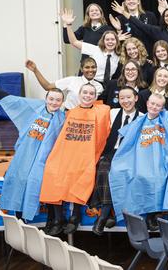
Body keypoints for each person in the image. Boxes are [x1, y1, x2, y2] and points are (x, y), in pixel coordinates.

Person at [109, 93, 168, 228]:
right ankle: (147, 214)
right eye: (152, 104)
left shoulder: (165, 120)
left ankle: (160, 214)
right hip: (142, 158)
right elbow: (128, 141)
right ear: (147, 103)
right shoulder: (139, 121)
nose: (154, 107)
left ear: (162, 107)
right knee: (139, 175)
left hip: (163, 157)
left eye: (158, 105)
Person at [39, 83, 111, 235]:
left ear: (95, 96)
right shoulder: (69, 112)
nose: (87, 96)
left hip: (85, 155)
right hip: (66, 152)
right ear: (79, 94)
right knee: (52, 173)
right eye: (85, 92)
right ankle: (58, 219)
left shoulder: (102, 112)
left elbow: (103, 137)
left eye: (91, 93)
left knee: (80, 176)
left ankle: (75, 217)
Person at [0, 84, 65, 221]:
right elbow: (10, 99)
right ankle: (18, 220)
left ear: (62, 102)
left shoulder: (62, 118)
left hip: (43, 159)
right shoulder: (34, 107)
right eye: (51, 99)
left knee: (34, 183)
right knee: (18, 181)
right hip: (25, 153)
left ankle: (40, 220)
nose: (54, 102)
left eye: (58, 100)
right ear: (45, 98)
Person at [90, 87, 143, 234]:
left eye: (129, 97)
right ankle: (107, 213)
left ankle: (103, 215)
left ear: (136, 98)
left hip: (130, 154)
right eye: (122, 98)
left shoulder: (142, 117)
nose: (125, 101)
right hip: (111, 151)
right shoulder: (111, 113)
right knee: (103, 170)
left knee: (119, 172)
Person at [62, 8, 123, 85]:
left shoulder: (119, 54)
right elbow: (73, 41)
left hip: (108, 85)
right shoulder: (95, 49)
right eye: (107, 40)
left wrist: (118, 30)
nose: (110, 42)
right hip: (91, 81)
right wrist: (67, 25)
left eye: (112, 39)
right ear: (103, 41)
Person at [26, 58, 103, 109]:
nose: (90, 70)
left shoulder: (99, 87)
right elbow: (47, 86)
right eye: (87, 67)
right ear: (81, 69)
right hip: (68, 116)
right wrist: (35, 70)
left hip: (88, 120)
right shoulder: (72, 80)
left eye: (93, 67)